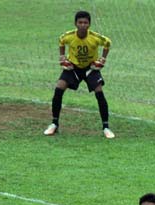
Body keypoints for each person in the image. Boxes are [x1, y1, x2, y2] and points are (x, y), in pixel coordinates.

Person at [43, 10, 115, 139]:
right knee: (59, 89)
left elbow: (107, 43)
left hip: (90, 68)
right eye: (80, 22)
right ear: (75, 23)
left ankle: (106, 127)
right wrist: (62, 57)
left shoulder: (94, 37)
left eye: (85, 23)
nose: (83, 25)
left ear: (89, 24)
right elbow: (61, 40)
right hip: (73, 68)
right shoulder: (69, 36)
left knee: (99, 92)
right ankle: (54, 124)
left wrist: (103, 59)